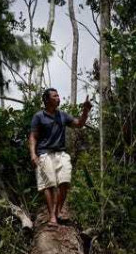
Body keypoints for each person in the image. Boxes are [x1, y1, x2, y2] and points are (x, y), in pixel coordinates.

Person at [29, 88, 92, 226]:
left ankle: (57, 211)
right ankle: (52, 216)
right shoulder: (39, 116)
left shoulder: (62, 115)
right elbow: (33, 136)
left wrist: (85, 111)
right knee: (49, 184)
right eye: (55, 96)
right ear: (46, 100)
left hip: (61, 153)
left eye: (58, 95)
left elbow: (79, 124)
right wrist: (33, 154)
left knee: (65, 182)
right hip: (44, 153)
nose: (58, 98)